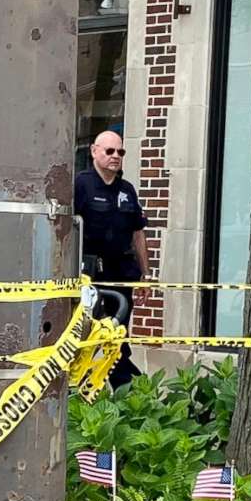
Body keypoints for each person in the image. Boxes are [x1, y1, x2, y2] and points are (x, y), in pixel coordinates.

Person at [74, 130, 148, 388]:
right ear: (94, 151)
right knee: (86, 336)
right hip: (89, 276)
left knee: (118, 336)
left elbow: (138, 234)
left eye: (120, 152)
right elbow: (64, 229)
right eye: (109, 151)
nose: (116, 156)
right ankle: (126, 387)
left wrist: (145, 274)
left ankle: (128, 390)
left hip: (121, 274)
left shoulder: (127, 190)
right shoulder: (81, 184)